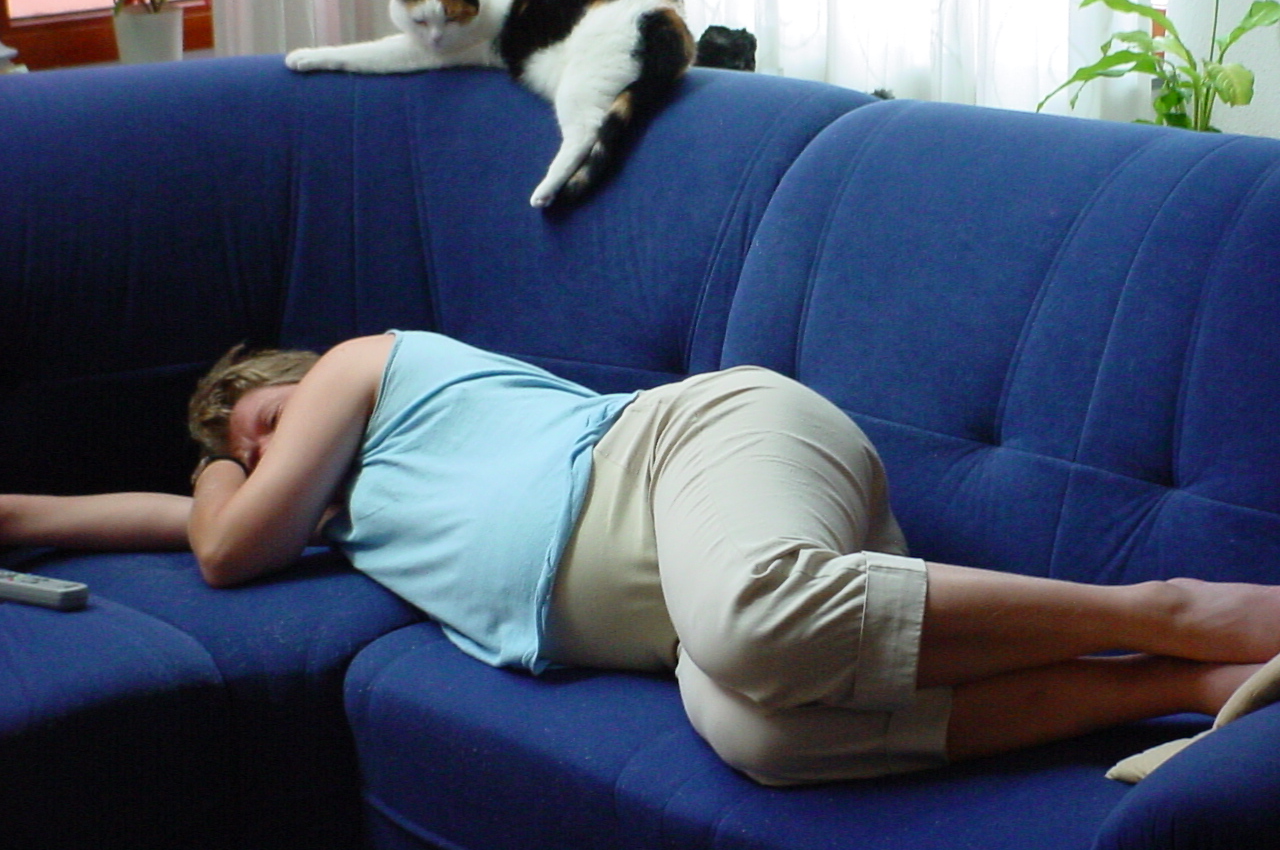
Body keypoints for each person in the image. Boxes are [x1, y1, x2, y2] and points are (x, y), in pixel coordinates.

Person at [2, 328, 1278, 785]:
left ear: (297, 380)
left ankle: (1166, 609)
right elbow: (69, 521)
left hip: (693, 446)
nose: (261, 452)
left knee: (749, 625)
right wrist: (206, 478)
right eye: (241, 453)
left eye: (263, 422)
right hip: (705, 601)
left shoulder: (359, 365)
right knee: (764, 738)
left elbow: (225, 545)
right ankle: (1178, 687)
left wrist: (223, 472)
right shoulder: (330, 518)